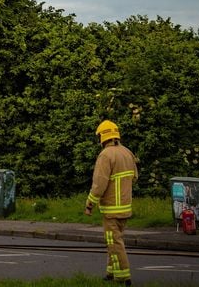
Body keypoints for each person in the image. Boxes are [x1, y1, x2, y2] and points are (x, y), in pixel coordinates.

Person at [84, 120, 138, 285]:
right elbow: (135, 177)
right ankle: (110, 272)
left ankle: (123, 277)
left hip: (111, 209)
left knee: (114, 242)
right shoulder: (127, 152)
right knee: (113, 240)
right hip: (125, 207)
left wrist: (90, 203)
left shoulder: (105, 155)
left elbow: (99, 184)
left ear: (102, 136)